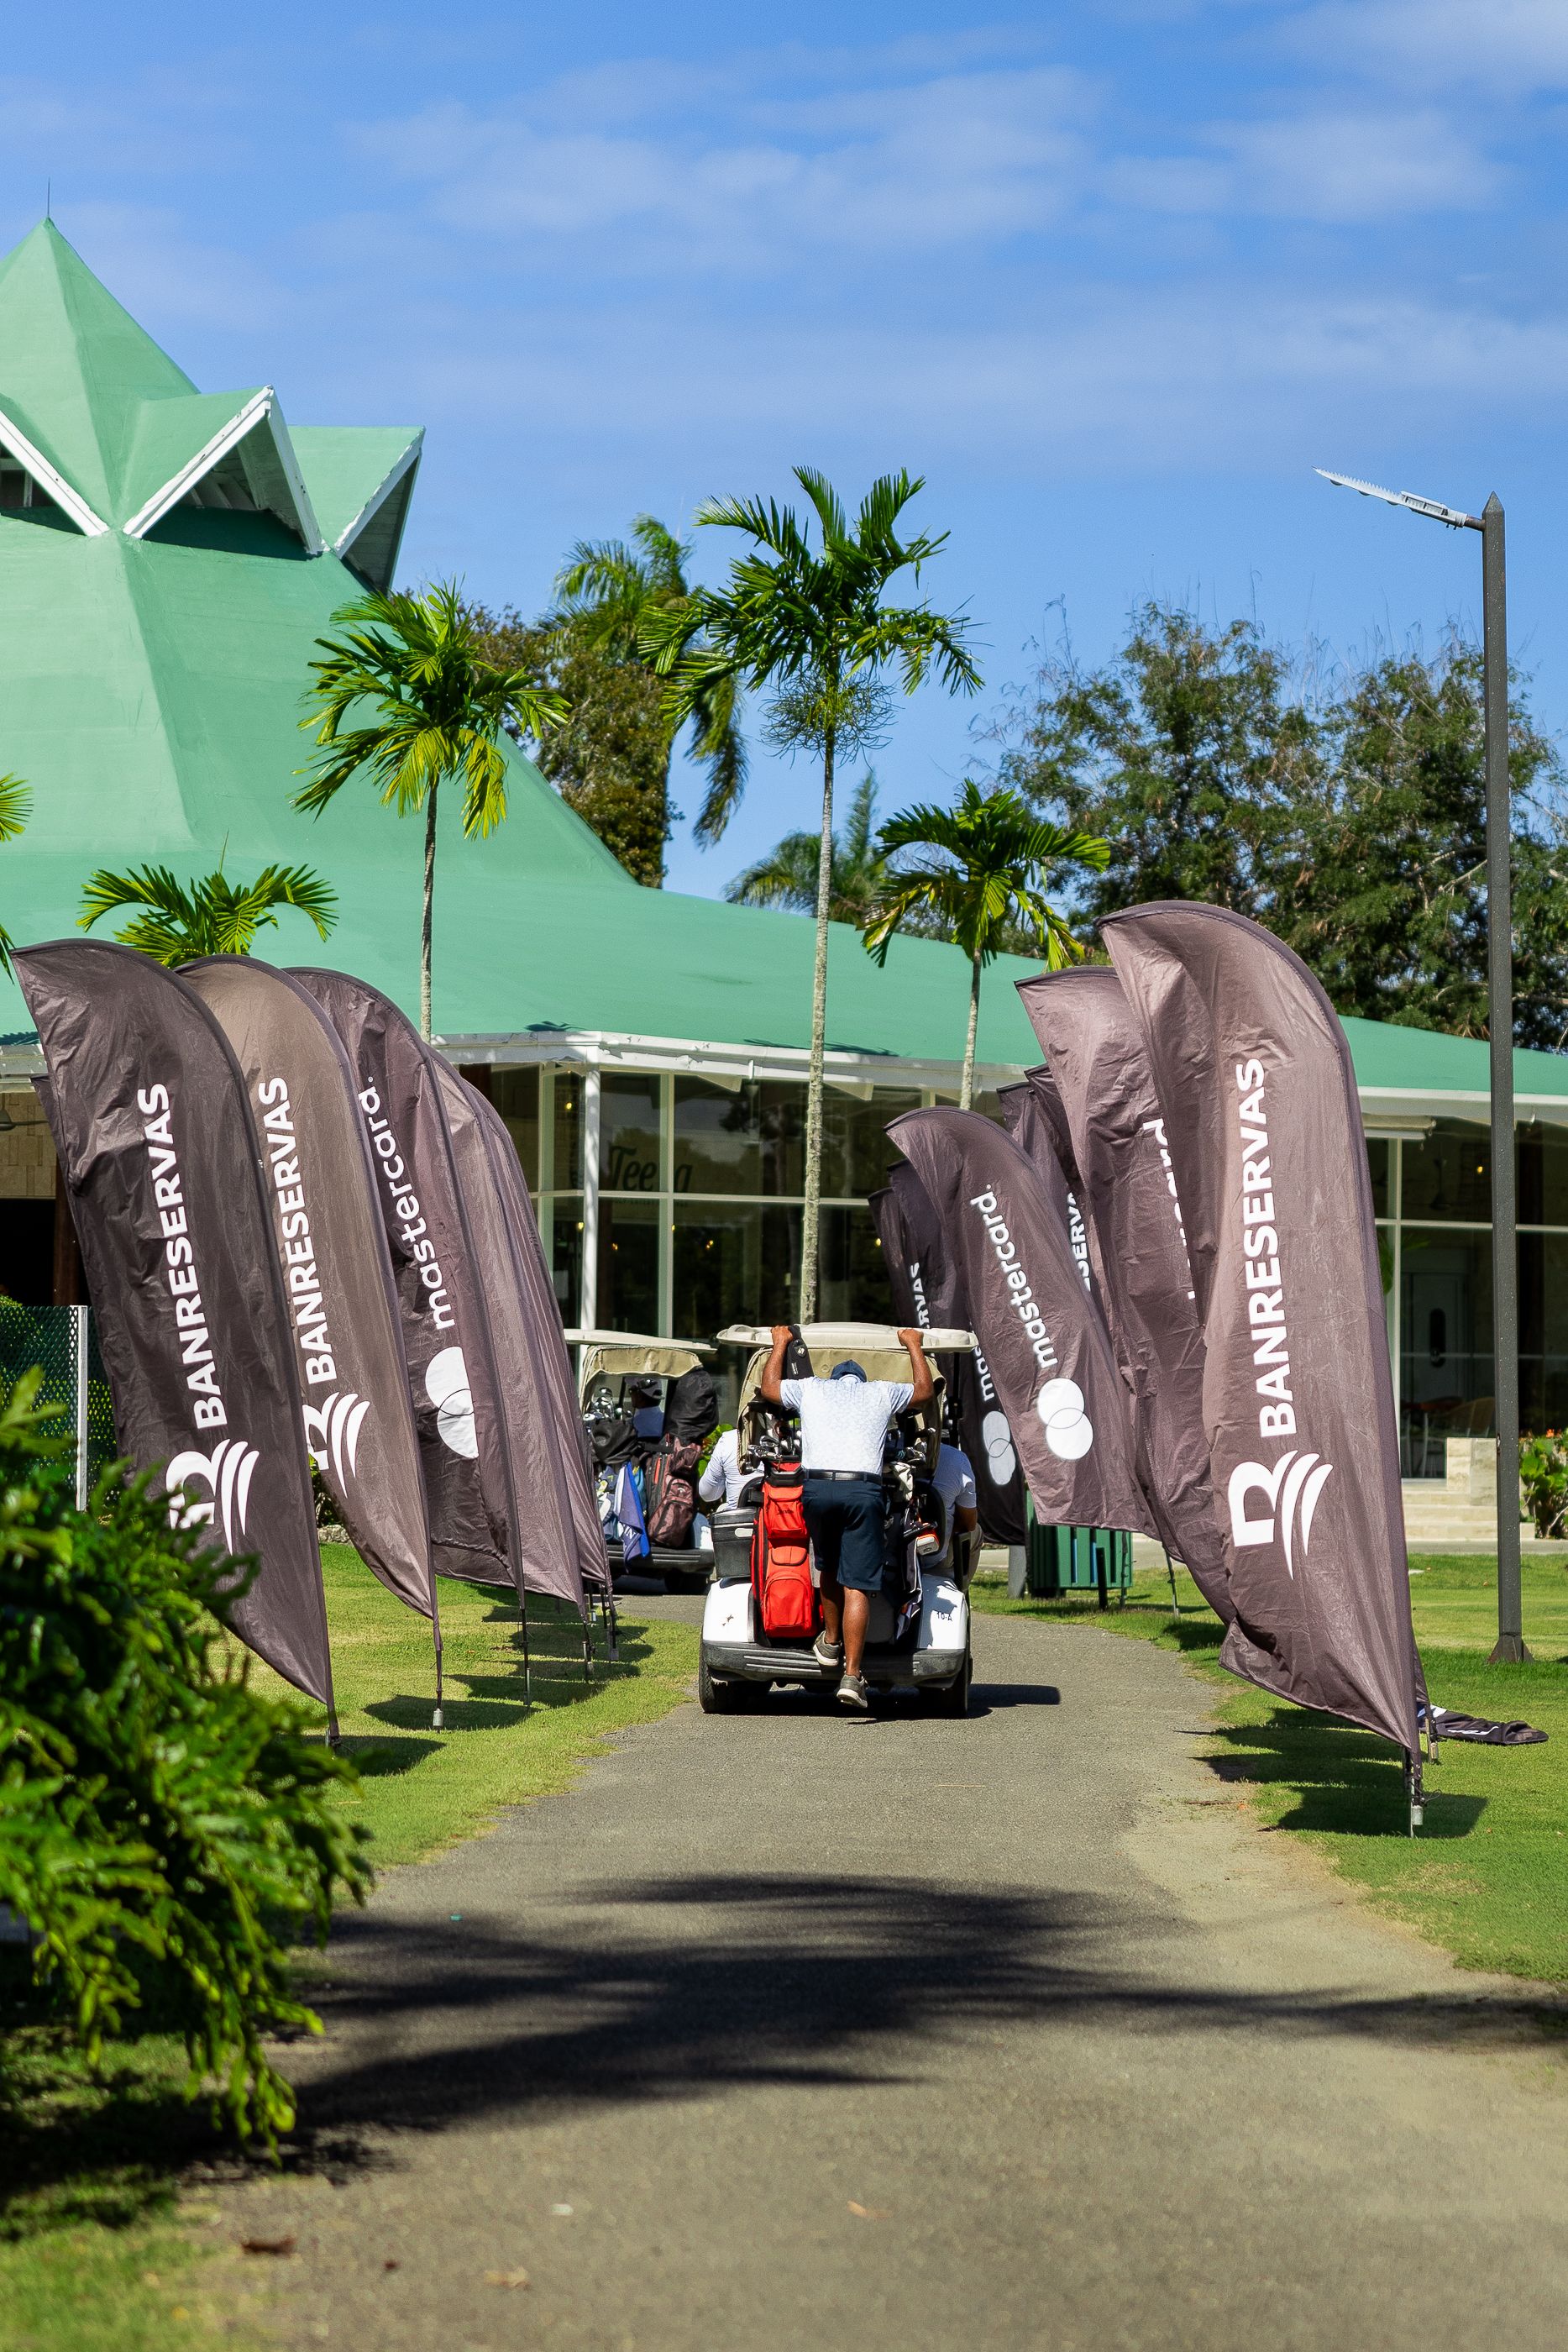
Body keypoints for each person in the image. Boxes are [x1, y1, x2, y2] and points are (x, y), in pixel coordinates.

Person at [760, 1324, 933, 1711]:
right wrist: (913, 1345)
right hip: (862, 1491)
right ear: (861, 1380)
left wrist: (780, 1343)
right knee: (857, 1583)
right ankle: (852, 1676)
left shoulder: (812, 1388)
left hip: (817, 1489)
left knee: (828, 1565)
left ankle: (831, 1641)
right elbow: (924, 1392)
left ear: (835, 1379)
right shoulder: (881, 1391)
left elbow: (769, 1388)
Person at [698, 1425, 749, 1513]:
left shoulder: (729, 1439)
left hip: (741, 1518)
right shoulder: (777, 1440)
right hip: (774, 1516)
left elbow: (707, 1493)